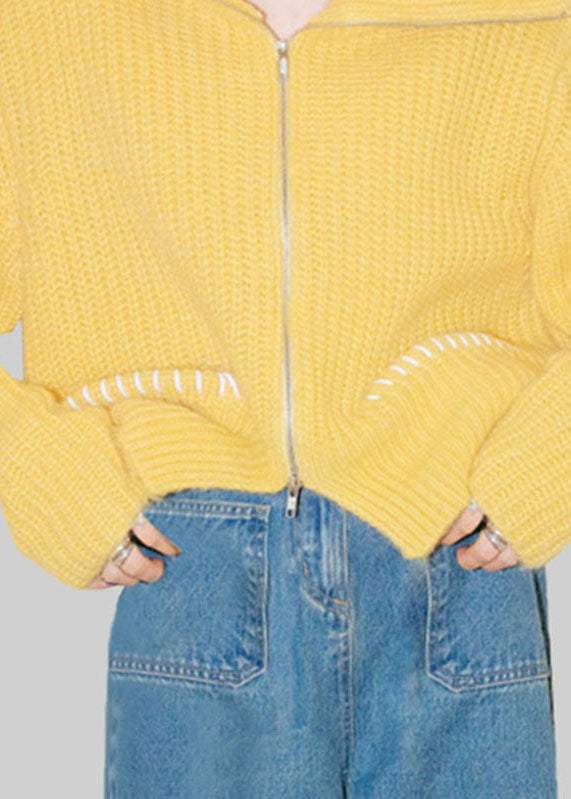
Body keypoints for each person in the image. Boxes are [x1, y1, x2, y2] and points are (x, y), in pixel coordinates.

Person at [0, 0, 569, 795]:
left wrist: (549, 452)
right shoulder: (38, 25)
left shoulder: (533, 18)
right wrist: (36, 467)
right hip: (189, 558)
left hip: (458, 558)